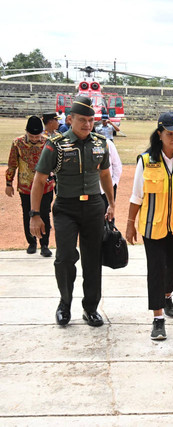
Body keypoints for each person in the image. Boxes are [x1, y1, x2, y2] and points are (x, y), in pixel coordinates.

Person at [30, 96, 115, 327]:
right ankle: (64, 304)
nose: (87, 125)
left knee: (93, 259)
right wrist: (35, 214)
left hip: (94, 207)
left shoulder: (100, 143)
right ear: (70, 119)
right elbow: (39, 180)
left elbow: (105, 174)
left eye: (91, 120)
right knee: (65, 257)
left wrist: (111, 203)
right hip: (66, 207)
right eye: (82, 120)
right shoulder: (55, 144)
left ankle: (90, 308)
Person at [125, 111, 173, 341]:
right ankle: (158, 319)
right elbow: (136, 196)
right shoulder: (147, 160)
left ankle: (167, 295)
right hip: (153, 226)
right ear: (159, 134)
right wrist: (130, 224)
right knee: (156, 269)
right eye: (170, 134)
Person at [6, 116, 55, 256]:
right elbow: (12, 164)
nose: (34, 139)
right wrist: (9, 183)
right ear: (26, 132)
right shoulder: (17, 143)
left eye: (37, 136)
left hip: (45, 187)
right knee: (28, 214)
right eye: (31, 136)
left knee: (45, 214)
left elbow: (54, 164)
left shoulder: (48, 143)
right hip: (26, 186)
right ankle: (31, 242)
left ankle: (44, 244)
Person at [100, 138, 122, 214]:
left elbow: (117, 165)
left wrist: (114, 183)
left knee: (108, 217)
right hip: (90, 190)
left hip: (107, 189)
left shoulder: (107, 143)